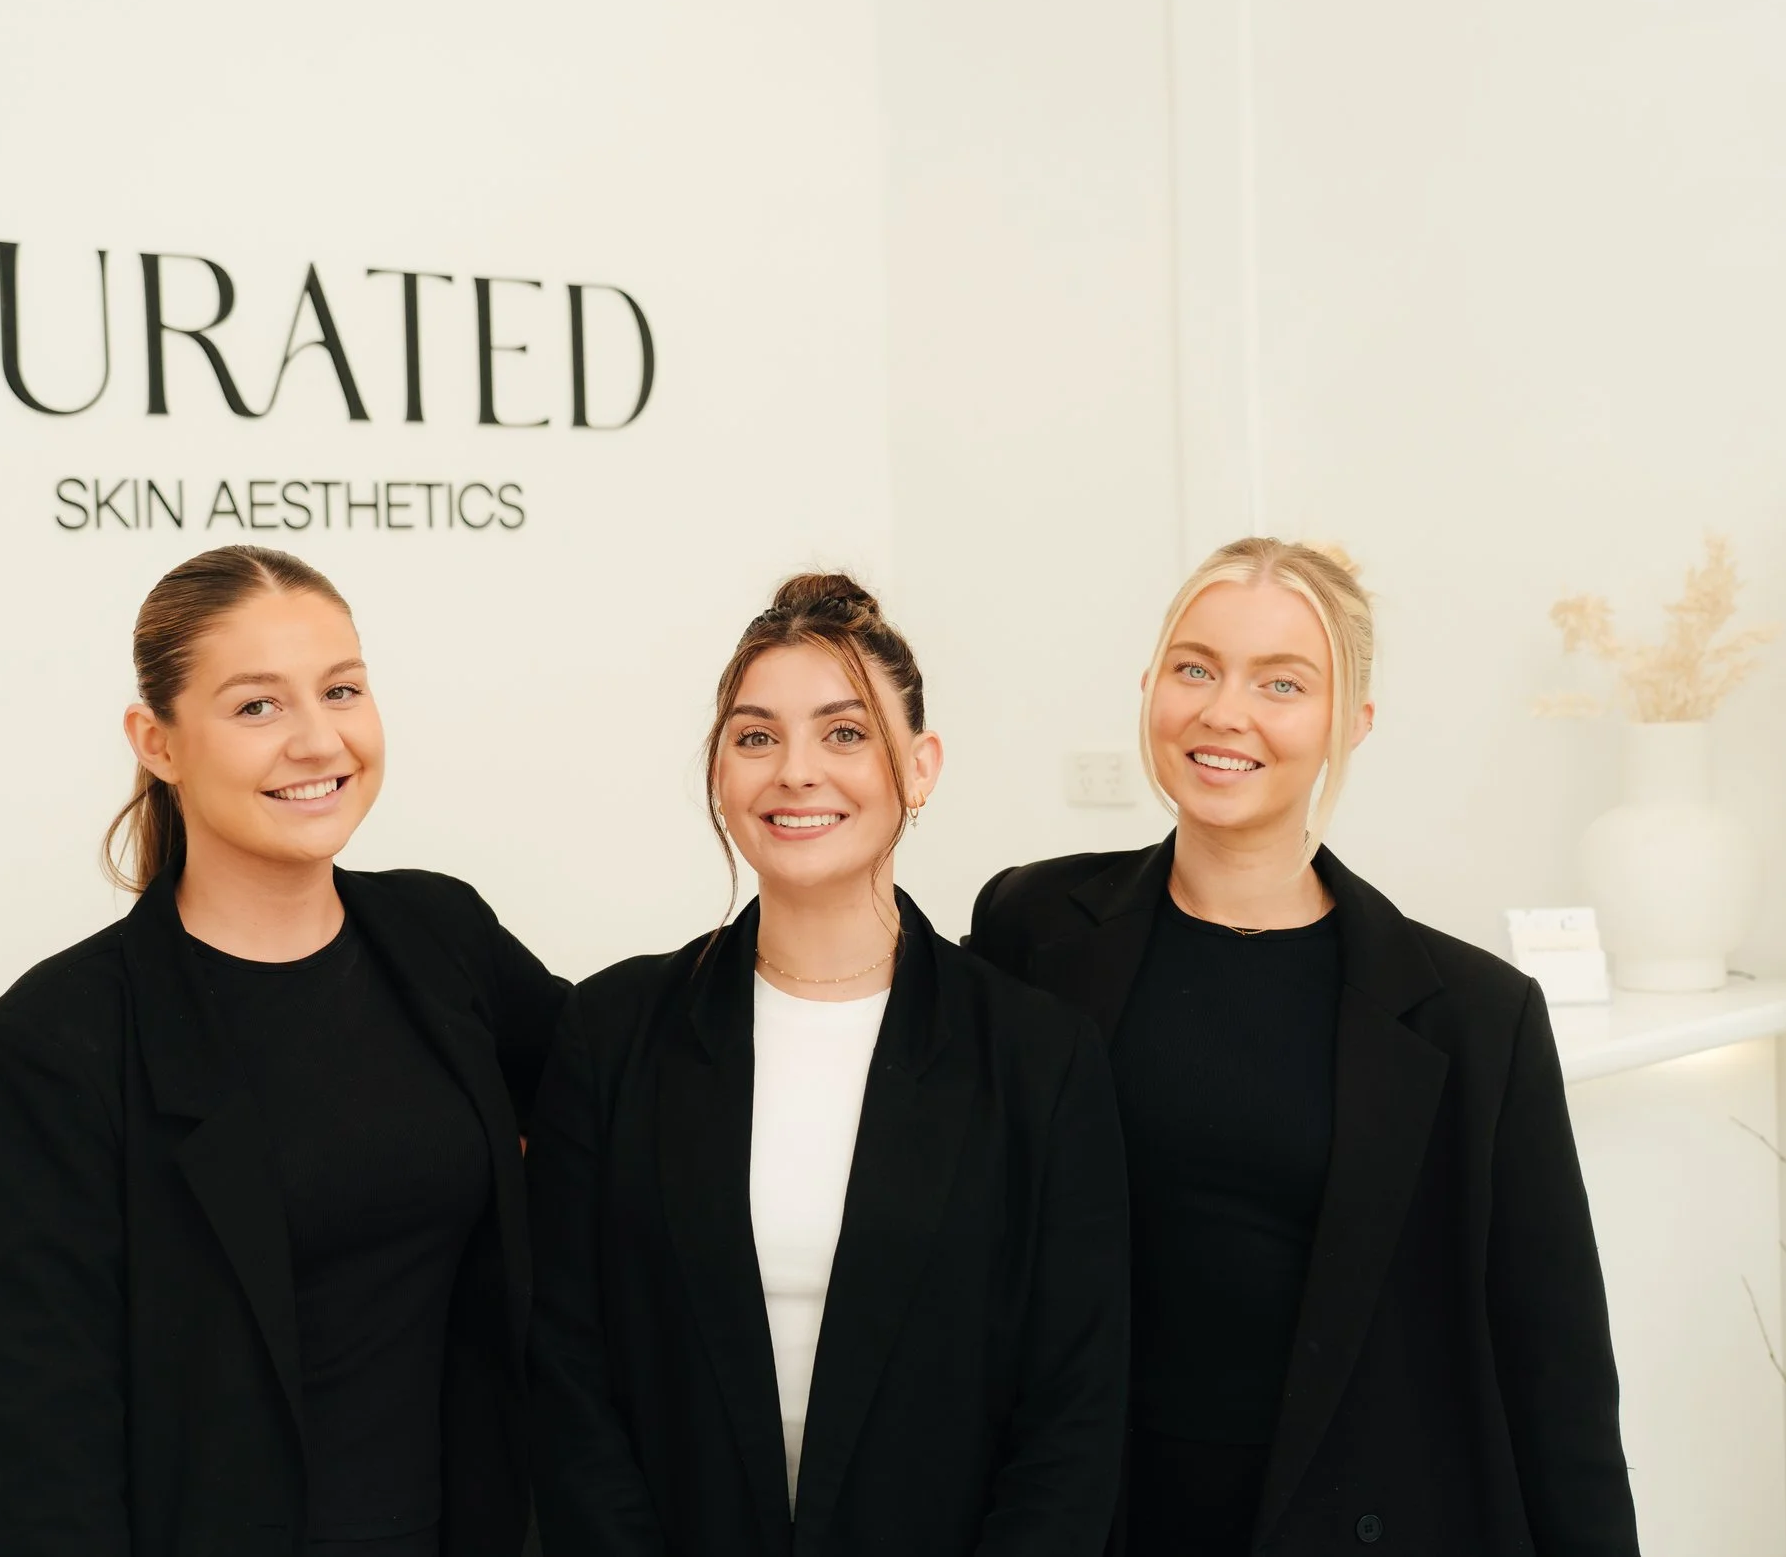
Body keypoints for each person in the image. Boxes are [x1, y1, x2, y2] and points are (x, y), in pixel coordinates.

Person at [971, 538, 1639, 1556]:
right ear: (1149, 684)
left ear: (1349, 722)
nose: (1223, 710)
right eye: (1195, 667)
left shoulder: (1473, 1016)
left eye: (1281, 682)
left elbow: (1558, 1381)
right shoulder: (1033, 926)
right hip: (1099, 1519)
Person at [0, 544, 569, 1557]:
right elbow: (45, 1454)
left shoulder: (443, 937)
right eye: (257, 705)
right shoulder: (58, 1038)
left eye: (342, 689)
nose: (318, 739)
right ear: (157, 741)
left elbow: (625, 1100)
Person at [528, 572, 1129, 1557]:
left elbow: (1073, 1412)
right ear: (719, 771)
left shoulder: (1036, 1055)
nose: (795, 771)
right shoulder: (612, 1033)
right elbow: (567, 1378)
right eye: (755, 736)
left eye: (844, 732)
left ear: (920, 767)